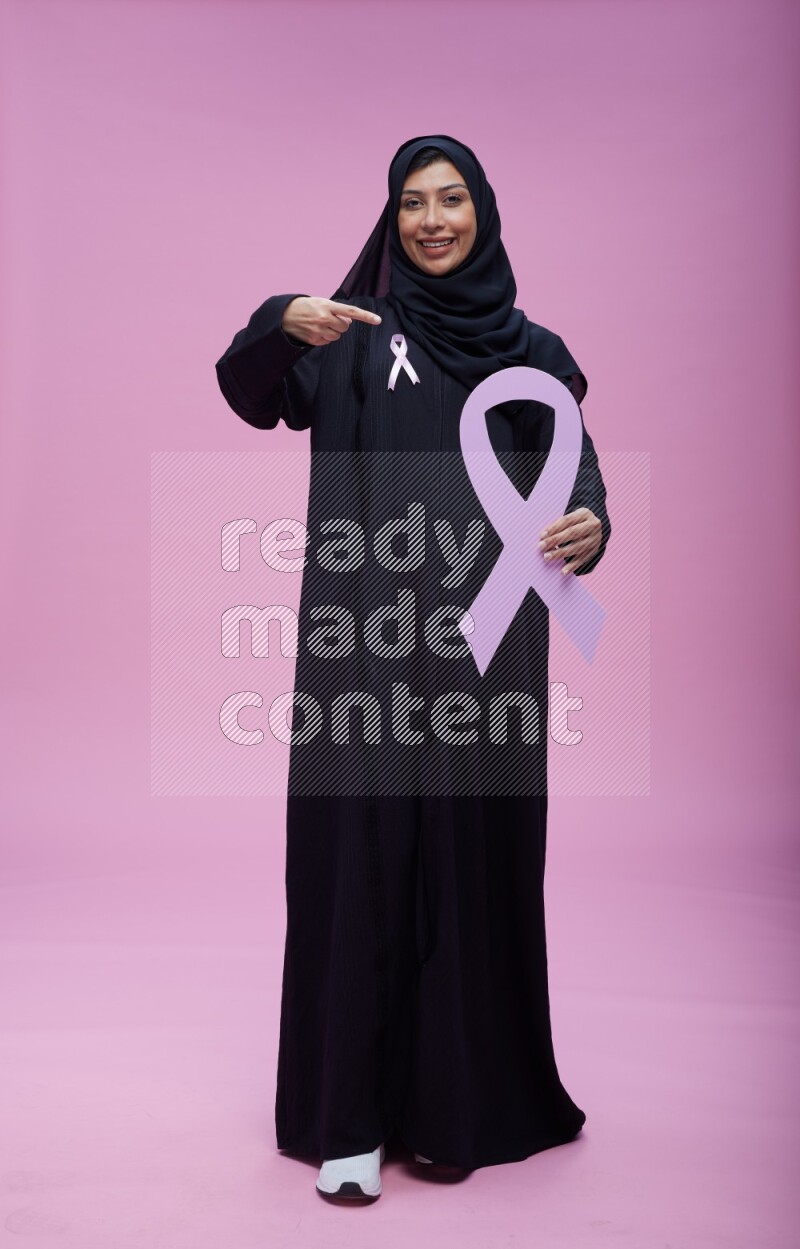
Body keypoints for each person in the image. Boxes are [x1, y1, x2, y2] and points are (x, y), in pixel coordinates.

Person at [215, 134, 611, 1202]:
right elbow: (249, 389)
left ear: (483, 212)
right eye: (411, 203)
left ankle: (455, 1110)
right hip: (367, 650)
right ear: (390, 219)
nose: (432, 220)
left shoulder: (533, 350)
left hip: (487, 655)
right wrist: (277, 322)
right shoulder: (347, 331)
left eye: (451, 200)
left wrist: (591, 521)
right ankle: (348, 1120)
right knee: (363, 860)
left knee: (470, 863)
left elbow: (573, 464)